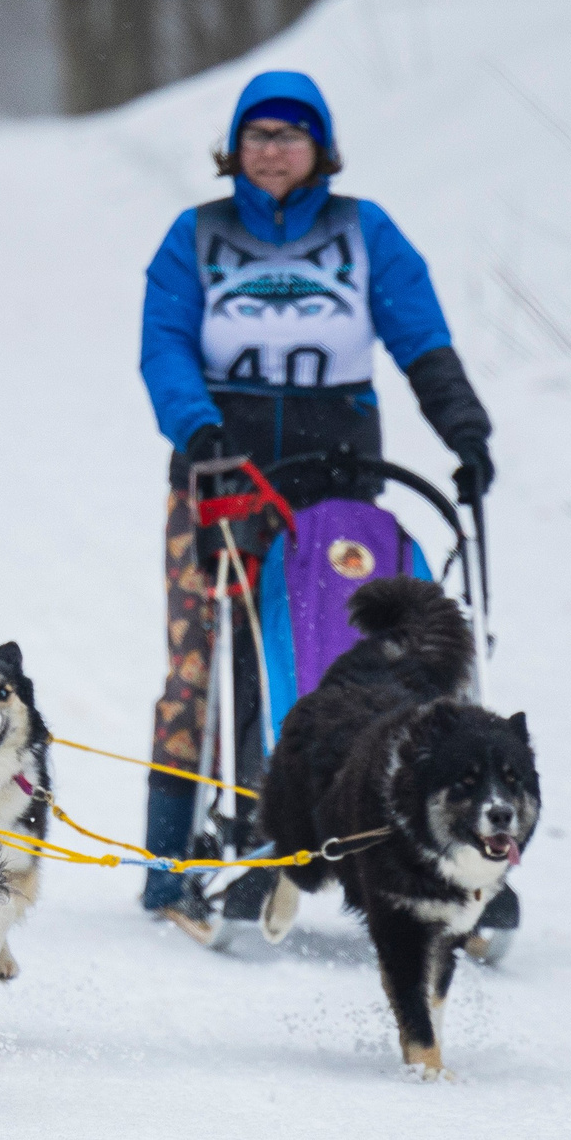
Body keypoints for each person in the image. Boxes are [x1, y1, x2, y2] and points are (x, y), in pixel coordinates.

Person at [137, 69, 495, 926]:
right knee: (204, 663)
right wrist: (198, 427)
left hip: (337, 484)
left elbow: (421, 339)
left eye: (290, 134)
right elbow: (165, 346)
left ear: (320, 146)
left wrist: (465, 430)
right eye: (257, 134)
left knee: (349, 656)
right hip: (223, 478)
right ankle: (171, 860)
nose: (272, 150)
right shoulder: (195, 236)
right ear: (234, 146)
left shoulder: (366, 232)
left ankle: (359, 824)